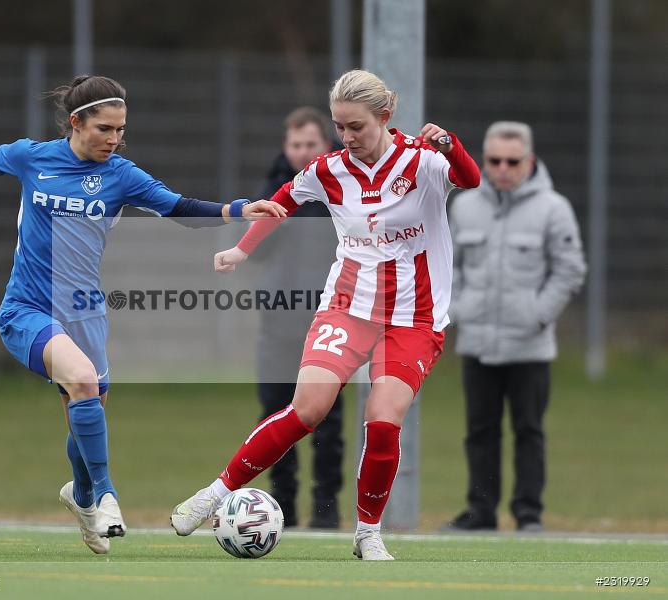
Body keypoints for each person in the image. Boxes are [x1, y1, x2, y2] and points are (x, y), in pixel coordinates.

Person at [0, 75, 285, 555]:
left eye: (121, 130)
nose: (114, 139)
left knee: (86, 415)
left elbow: (179, 208)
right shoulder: (34, 157)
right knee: (83, 381)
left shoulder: (122, 175)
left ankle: (82, 495)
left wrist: (236, 210)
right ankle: (106, 497)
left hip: (84, 313)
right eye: (105, 129)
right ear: (75, 123)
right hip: (27, 309)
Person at [170, 69, 481, 561]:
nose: (347, 136)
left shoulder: (422, 162)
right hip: (348, 308)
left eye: (356, 126)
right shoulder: (328, 170)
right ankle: (215, 492)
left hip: (414, 319)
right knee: (308, 410)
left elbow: (471, 178)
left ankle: (367, 535)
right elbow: (282, 203)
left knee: (382, 422)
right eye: (340, 126)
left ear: (384, 116)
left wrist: (450, 145)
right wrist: (242, 250)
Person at [444, 121, 586, 532]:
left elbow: (569, 270)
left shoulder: (553, 209)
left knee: (529, 431)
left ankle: (528, 513)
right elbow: (446, 264)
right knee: (479, 431)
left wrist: (537, 315)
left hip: (530, 345)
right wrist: (459, 308)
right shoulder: (464, 205)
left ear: (530, 160)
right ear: (484, 160)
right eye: (494, 161)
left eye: (512, 161)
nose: (503, 168)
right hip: (477, 341)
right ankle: (481, 511)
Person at [251, 107, 343, 529]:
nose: (304, 153)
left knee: (327, 418)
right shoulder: (274, 193)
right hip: (278, 322)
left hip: (330, 323)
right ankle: (281, 506)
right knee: (275, 413)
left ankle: (326, 507)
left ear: (325, 145)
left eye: (311, 145)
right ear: (285, 147)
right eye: (296, 145)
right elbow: (255, 252)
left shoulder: (344, 189)